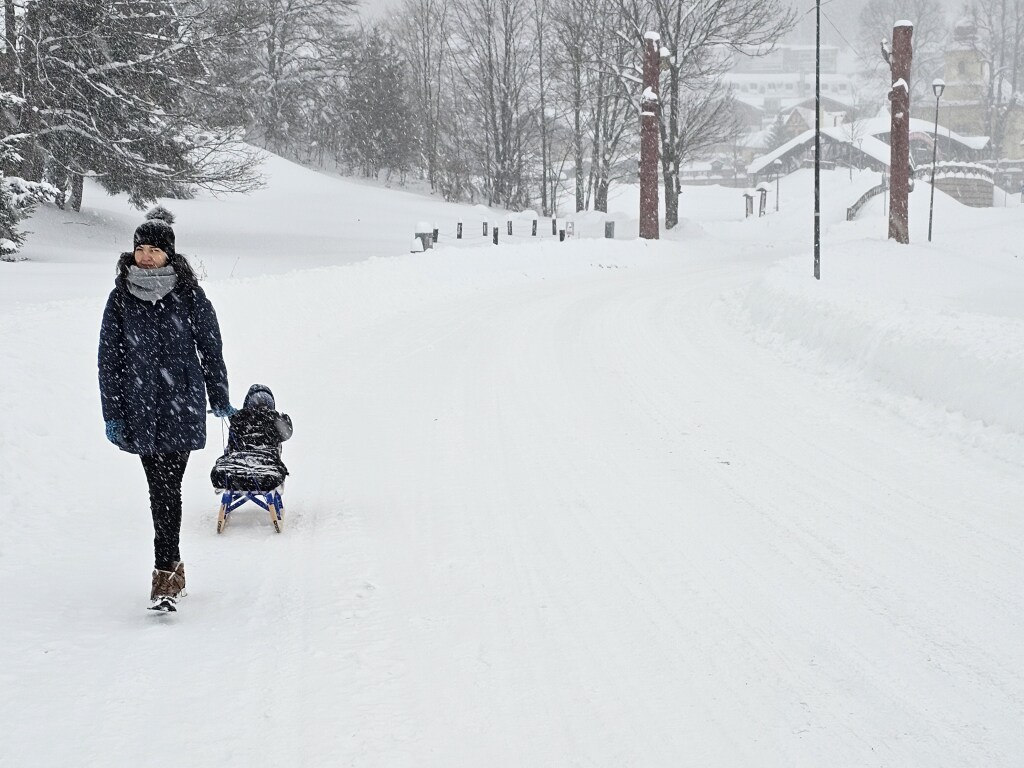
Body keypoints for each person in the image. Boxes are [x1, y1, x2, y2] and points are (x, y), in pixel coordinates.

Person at [98, 206, 234, 609]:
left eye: (154, 249)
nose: (145, 256)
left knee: (165, 489)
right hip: (139, 409)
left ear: (169, 254)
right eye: (140, 248)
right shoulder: (121, 298)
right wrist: (113, 413)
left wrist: (219, 394)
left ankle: (164, 579)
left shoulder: (190, 295)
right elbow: (109, 360)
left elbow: (210, 348)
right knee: (161, 490)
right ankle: (172, 572)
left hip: (180, 405)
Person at [211, 384, 293, 492]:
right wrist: (284, 419)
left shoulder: (239, 418)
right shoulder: (274, 418)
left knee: (222, 474)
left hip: (233, 467)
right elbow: (287, 433)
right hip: (268, 470)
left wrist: (234, 414)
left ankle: (228, 498)